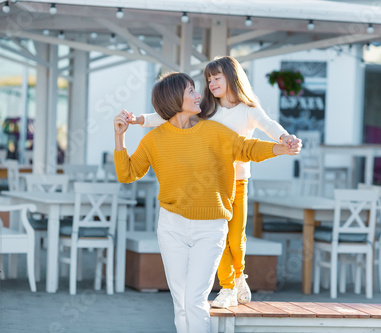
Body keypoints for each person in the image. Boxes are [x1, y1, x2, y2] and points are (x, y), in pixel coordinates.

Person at [113, 72, 301, 333]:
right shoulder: (154, 140)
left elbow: (247, 148)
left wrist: (281, 148)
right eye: (191, 91)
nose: (199, 94)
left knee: (194, 300)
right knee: (180, 304)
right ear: (175, 98)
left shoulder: (214, 131)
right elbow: (127, 173)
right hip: (171, 228)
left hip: (210, 228)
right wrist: (120, 137)